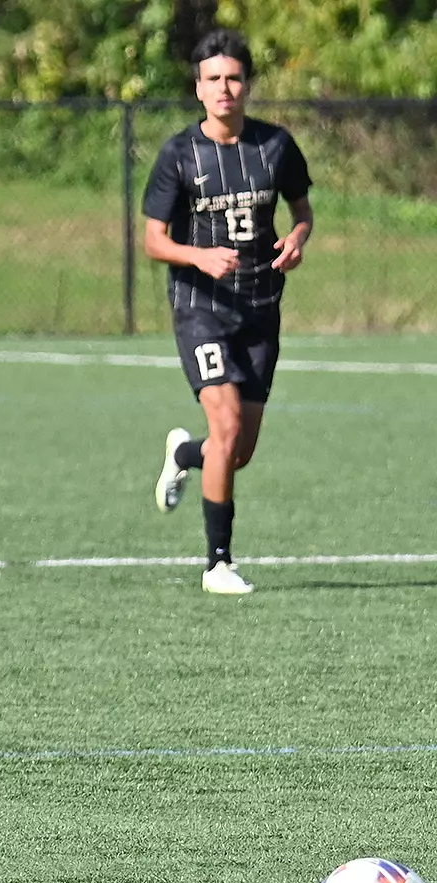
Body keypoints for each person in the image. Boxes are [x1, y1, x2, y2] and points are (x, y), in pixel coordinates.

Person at [145, 28, 312, 595]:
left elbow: (302, 209)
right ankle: (218, 563)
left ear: (248, 85)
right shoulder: (178, 155)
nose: (225, 88)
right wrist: (197, 255)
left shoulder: (276, 147)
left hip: (261, 310)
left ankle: (184, 453)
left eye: (234, 78)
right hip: (202, 309)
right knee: (228, 423)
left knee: (235, 453)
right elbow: (153, 241)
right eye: (213, 79)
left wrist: (297, 239)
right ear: (198, 88)